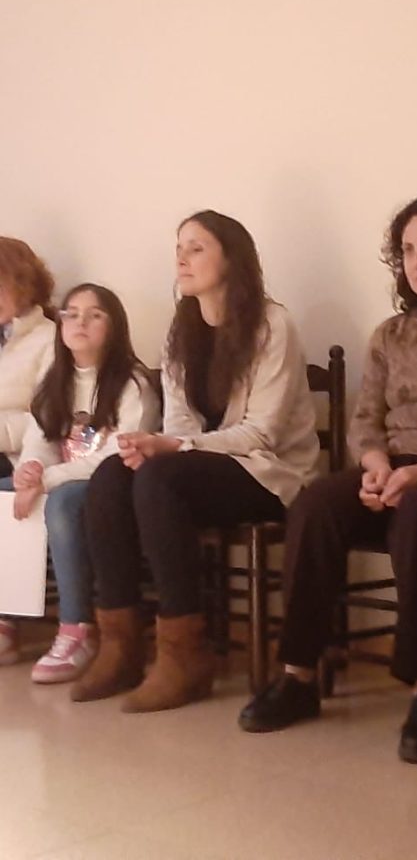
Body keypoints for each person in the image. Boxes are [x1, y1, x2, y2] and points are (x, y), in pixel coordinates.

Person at [239, 189, 417, 765]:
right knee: (316, 503)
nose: (416, 261)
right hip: (398, 472)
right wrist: (376, 466)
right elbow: (366, 422)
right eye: (407, 249)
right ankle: (299, 675)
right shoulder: (391, 334)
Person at [71, 210, 319, 712]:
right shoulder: (181, 330)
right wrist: (159, 445)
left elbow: (262, 434)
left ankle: (185, 654)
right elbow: (180, 423)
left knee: (159, 478)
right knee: (113, 473)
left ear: (232, 259)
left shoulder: (272, 324)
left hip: (270, 473)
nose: (182, 258)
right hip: (201, 471)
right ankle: (121, 643)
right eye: (179, 248)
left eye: (197, 248)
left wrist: (176, 449)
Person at [12, 282, 161, 683]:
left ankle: (76, 628)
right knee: (5, 492)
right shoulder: (55, 381)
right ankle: (7, 618)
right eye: (72, 314)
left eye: (95, 315)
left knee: (63, 502)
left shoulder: (133, 383)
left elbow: (117, 454)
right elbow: (40, 439)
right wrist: (30, 470)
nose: (81, 322)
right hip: (62, 479)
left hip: (115, 486)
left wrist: (48, 480)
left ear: (115, 327)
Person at [0, 237, 55, 666]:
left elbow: (49, 418)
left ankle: (3, 624)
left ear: (23, 284)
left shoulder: (50, 339)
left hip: (24, 456)